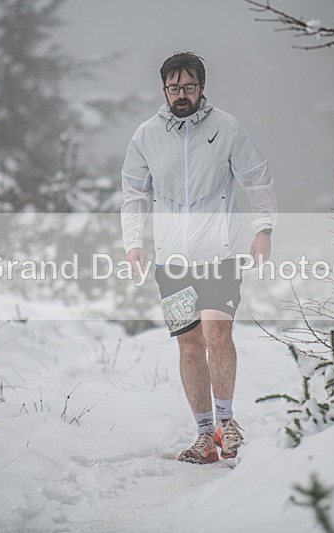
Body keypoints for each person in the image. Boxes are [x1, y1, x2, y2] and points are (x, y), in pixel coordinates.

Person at [121, 51, 277, 464]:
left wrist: (263, 230)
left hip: (219, 253)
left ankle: (227, 423)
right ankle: (205, 436)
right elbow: (134, 194)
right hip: (171, 261)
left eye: (189, 87)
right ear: (164, 90)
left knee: (216, 333)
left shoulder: (226, 128)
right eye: (174, 88)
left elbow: (257, 180)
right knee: (189, 346)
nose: (181, 94)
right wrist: (133, 243)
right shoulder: (146, 135)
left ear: (202, 87)